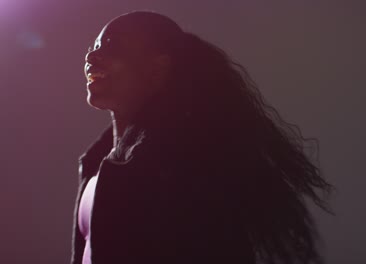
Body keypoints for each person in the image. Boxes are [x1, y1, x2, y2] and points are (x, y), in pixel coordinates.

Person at [71, 10, 334, 264]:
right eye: (93, 46)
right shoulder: (100, 164)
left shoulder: (180, 165)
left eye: (111, 45)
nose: (92, 55)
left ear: (157, 69)